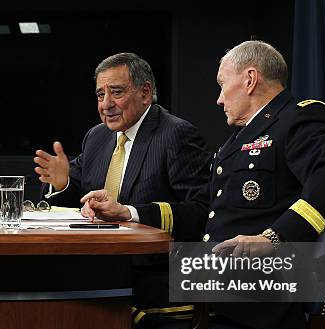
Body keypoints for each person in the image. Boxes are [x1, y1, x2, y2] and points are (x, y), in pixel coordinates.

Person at [81, 41, 325, 329]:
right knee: (114, 284)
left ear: (249, 79)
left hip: (255, 284)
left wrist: (276, 238)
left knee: (117, 301)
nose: (217, 98)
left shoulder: (298, 119)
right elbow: (203, 213)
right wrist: (129, 212)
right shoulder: (242, 138)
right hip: (215, 271)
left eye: (221, 84)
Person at [33, 52, 212, 241]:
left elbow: (201, 210)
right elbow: (75, 197)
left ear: (145, 93)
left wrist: (129, 212)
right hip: (93, 253)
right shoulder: (97, 136)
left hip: (151, 262)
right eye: (101, 95)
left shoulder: (176, 134)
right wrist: (62, 184)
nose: (106, 104)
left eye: (116, 92)